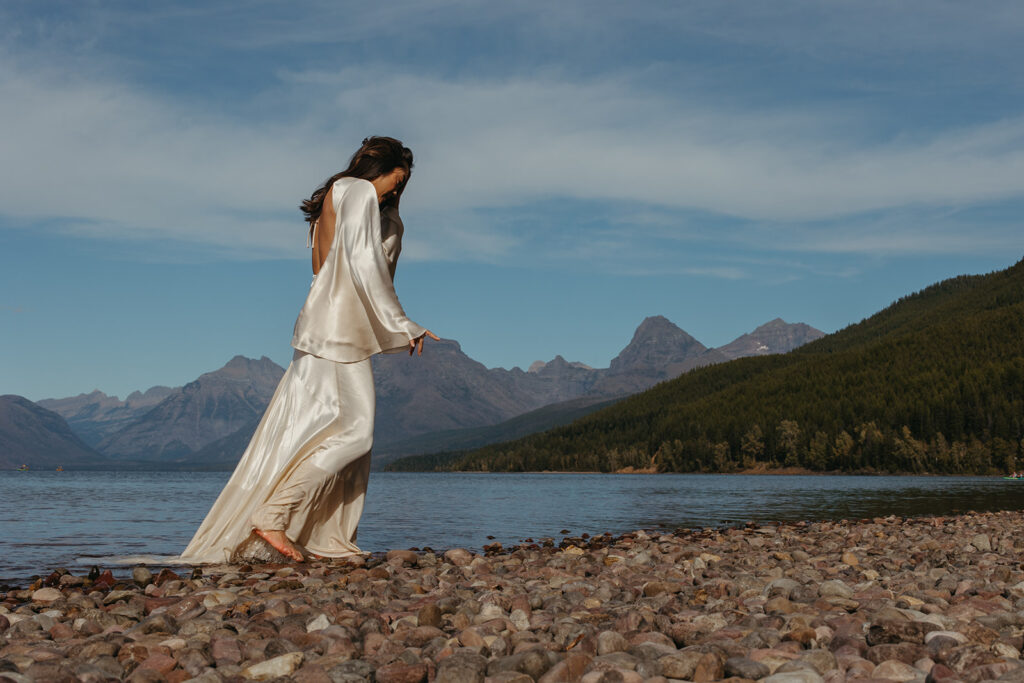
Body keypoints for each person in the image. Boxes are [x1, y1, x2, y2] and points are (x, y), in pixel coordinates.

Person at [180, 136, 438, 563]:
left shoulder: (331, 204)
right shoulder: (355, 191)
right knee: (356, 432)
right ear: (383, 168)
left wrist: (389, 225)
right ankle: (273, 516)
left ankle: (312, 532)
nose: (397, 190)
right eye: (398, 179)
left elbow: (325, 269)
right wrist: (401, 322)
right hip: (337, 330)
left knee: (323, 431)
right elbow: (362, 261)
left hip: (326, 324)